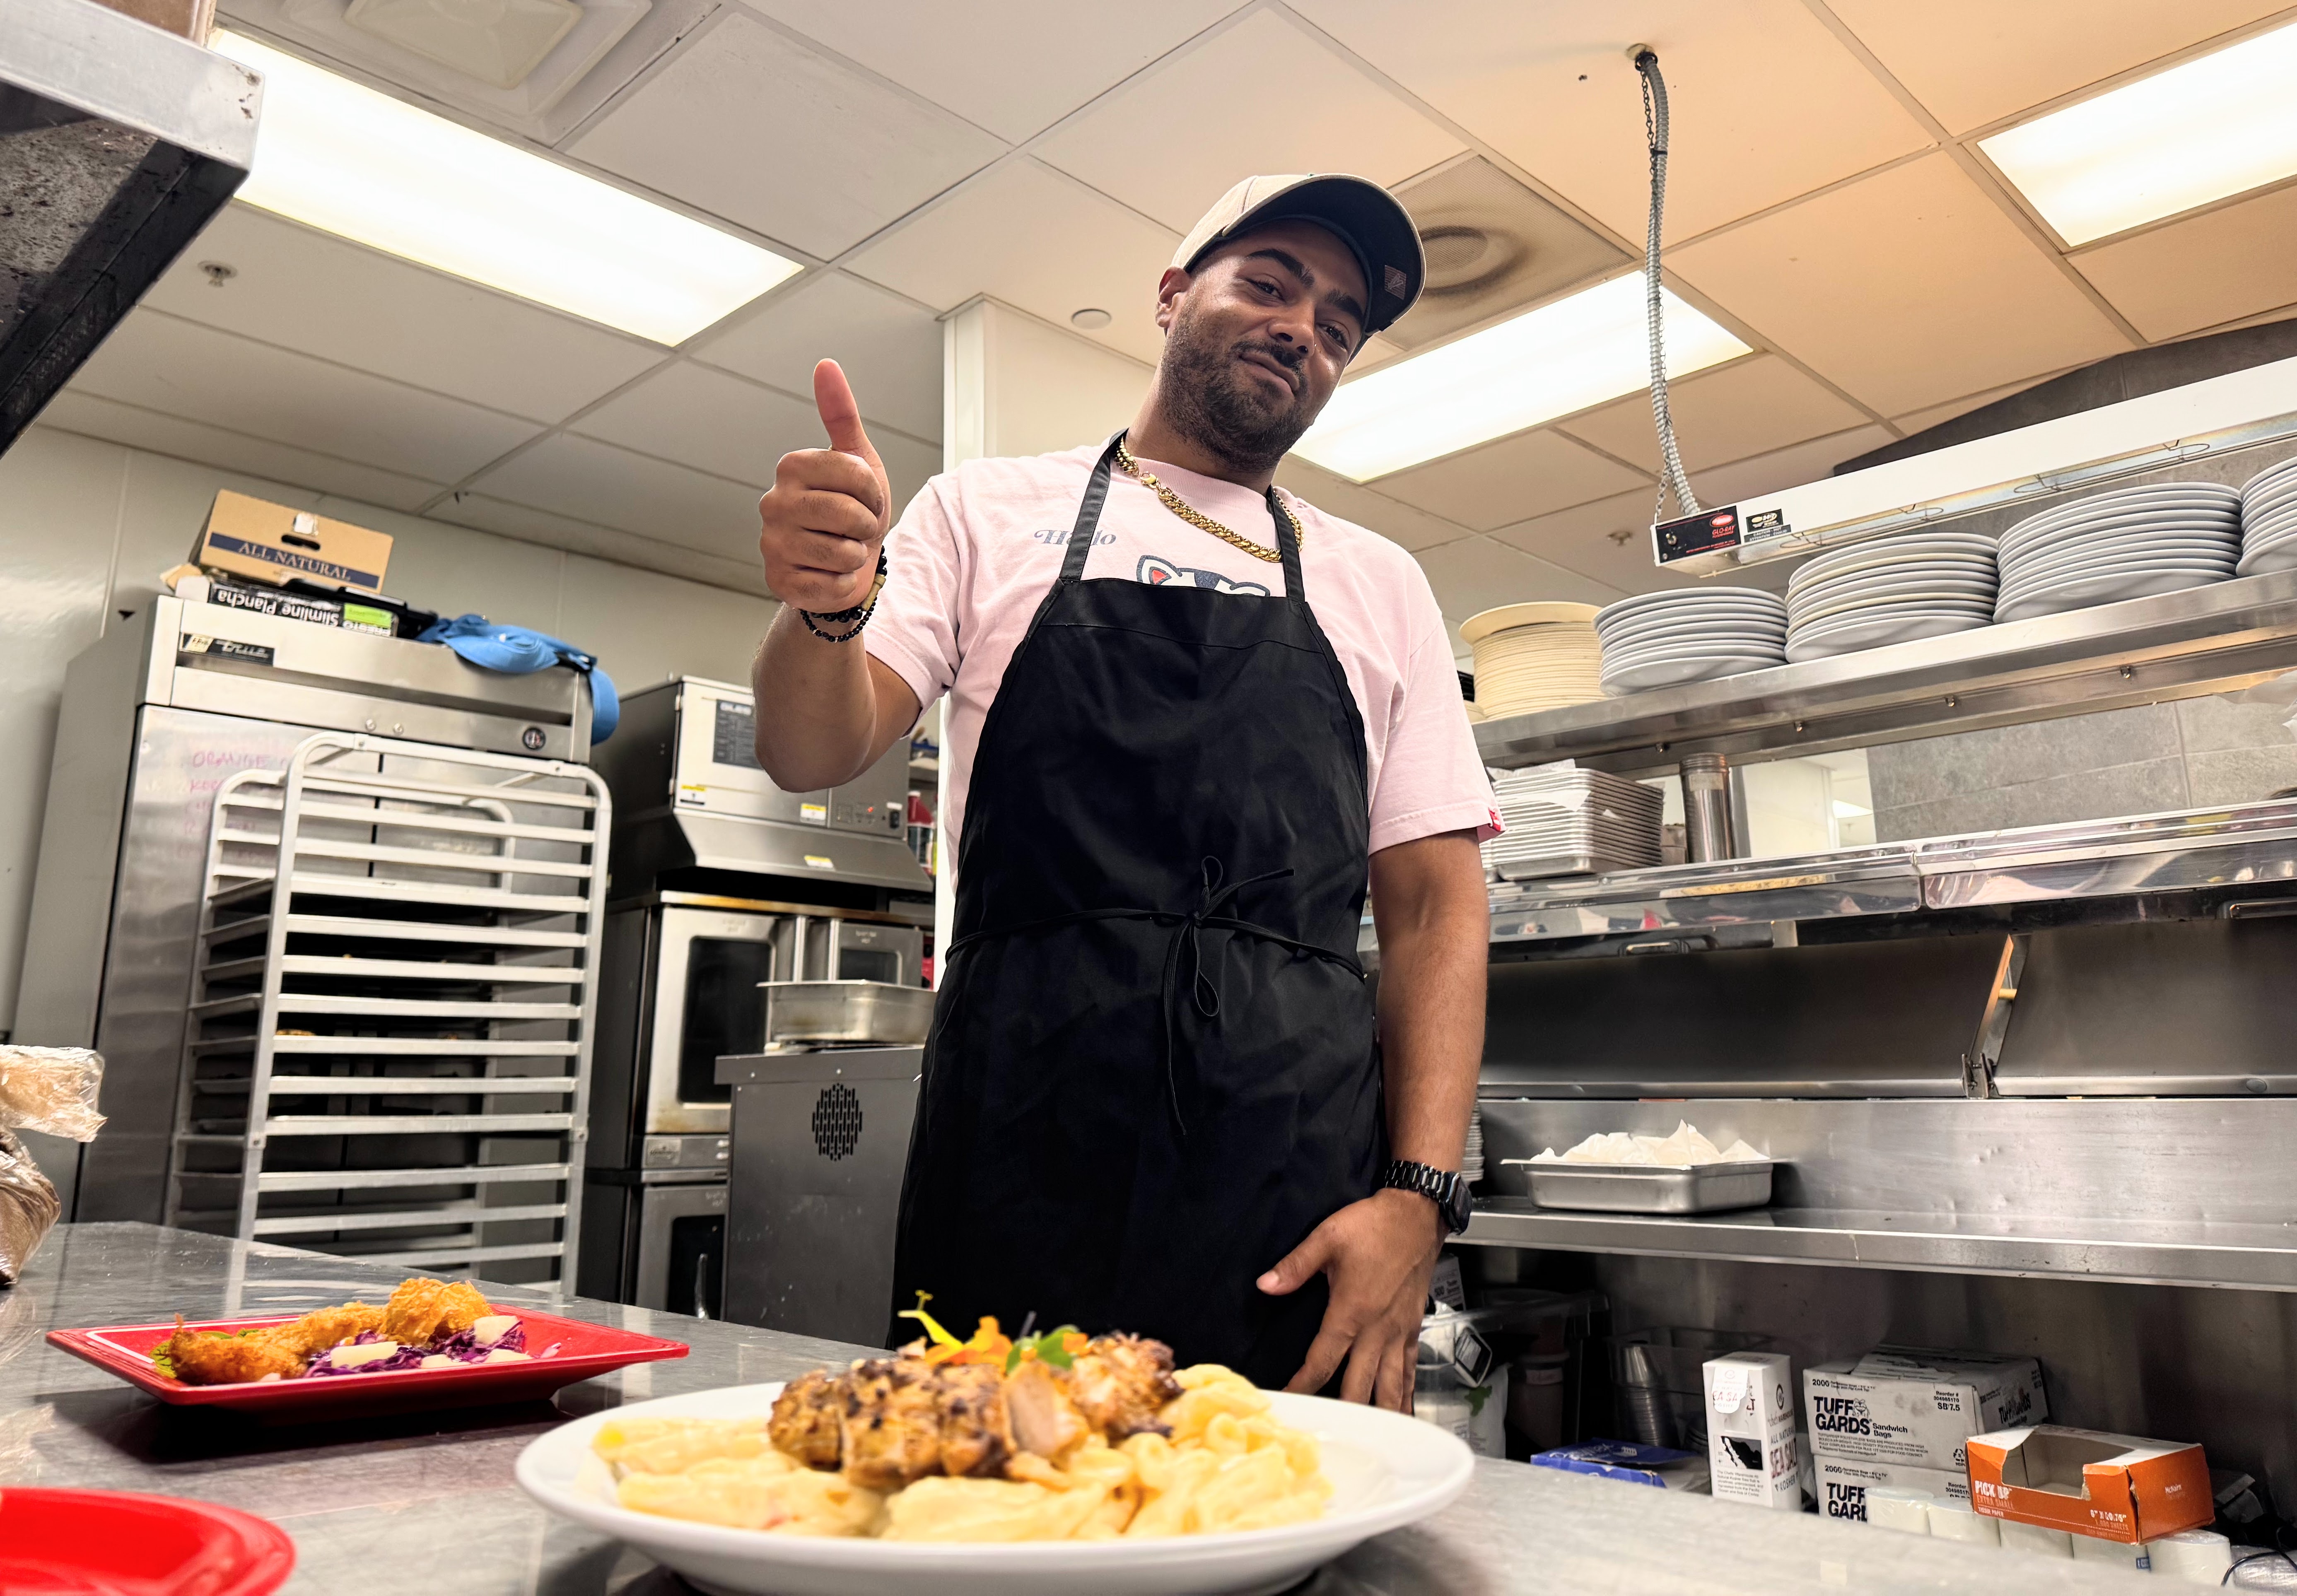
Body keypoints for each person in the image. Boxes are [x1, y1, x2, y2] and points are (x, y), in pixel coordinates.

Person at [750, 174, 1494, 1410]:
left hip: (1288, 1177)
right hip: (1021, 1140)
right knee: (984, 1513)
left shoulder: (1379, 582)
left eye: (1338, 323)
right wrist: (825, 608)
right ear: (1169, 296)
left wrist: (1419, 1200)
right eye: (1266, 282)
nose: (1301, 327)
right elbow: (814, 748)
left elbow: (1432, 913)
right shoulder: (986, 512)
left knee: (1273, 1530)